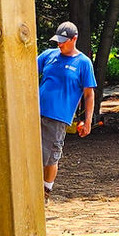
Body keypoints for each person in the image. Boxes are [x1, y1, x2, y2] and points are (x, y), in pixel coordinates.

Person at [36, 21, 96, 197]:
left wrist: (88, 121)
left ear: (74, 39)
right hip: (34, 113)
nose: (60, 44)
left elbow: (89, 94)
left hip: (58, 117)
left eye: (63, 41)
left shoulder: (83, 63)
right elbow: (26, 70)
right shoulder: (48, 55)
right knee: (32, 153)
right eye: (58, 41)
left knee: (50, 156)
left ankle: (46, 190)